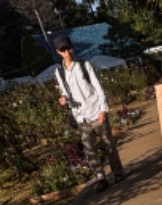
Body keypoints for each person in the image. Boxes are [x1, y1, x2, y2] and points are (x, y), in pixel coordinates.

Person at [53, 34, 124, 192]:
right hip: (81, 117)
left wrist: (103, 109)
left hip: (96, 112)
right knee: (89, 149)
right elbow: (65, 91)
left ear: (73, 47)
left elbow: (99, 88)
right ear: (58, 52)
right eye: (63, 50)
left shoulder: (85, 66)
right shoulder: (60, 73)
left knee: (108, 144)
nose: (67, 52)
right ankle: (100, 177)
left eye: (69, 48)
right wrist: (63, 98)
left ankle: (117, 172)